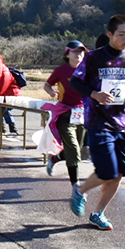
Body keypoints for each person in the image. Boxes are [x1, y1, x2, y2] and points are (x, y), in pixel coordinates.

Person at [69, 14, 125, 230]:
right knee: (107, 171)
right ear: (110, 34)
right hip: (98, 122)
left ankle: (98, 213)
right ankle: (80, 190)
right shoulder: (94, 58)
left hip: (122, 124)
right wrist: (94, 94)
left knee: (119, 173)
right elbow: (75, 82)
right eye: (121, 34)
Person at [42, 40, 88, 209]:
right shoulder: (61, 71)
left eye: (81, 52)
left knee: (76, 150)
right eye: (75, 52)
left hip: (81, 113)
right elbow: (47, 85)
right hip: (64, 114)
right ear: (67, 54)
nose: (79, 55)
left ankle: (54, 158)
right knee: (74, 149)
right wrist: (51, 91)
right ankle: (76, 187)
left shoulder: (87, 69)